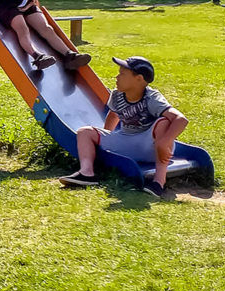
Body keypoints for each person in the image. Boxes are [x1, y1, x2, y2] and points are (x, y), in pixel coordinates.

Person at [59, 56, 189, 197]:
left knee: (163, 123)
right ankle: (87, 173)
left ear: (139, 79)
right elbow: (113, 115)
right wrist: (105, 139)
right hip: (126, 140)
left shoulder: (151, 98)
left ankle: (158, 182)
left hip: (151, 147)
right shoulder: (117, 95)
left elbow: (181, 119)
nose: (117, 76)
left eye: (122, 73)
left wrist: (165, 142)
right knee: (85, 132)